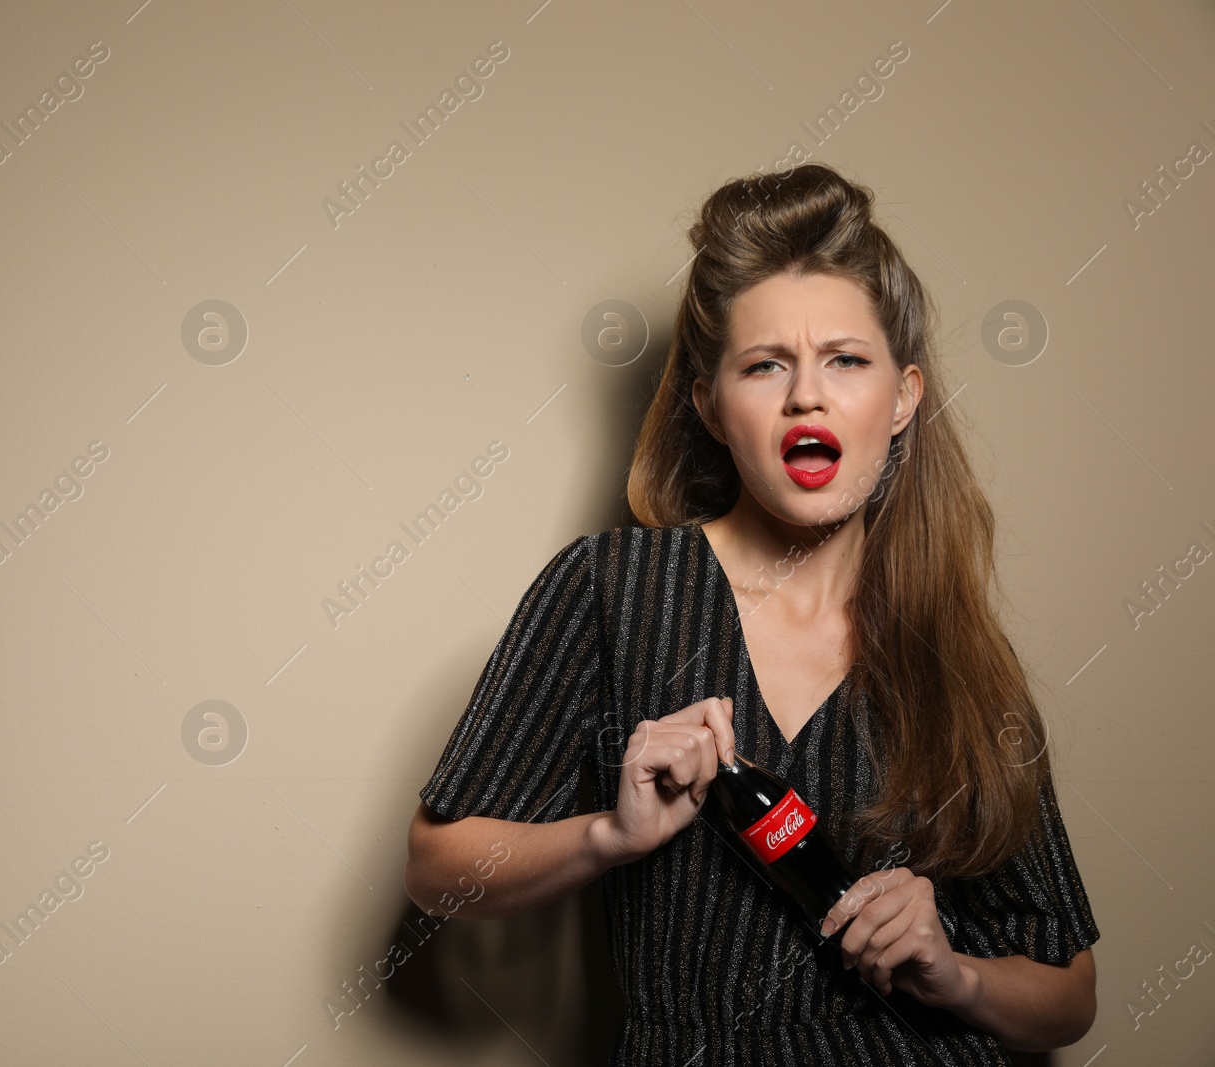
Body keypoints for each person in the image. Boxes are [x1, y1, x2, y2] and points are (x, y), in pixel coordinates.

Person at [404, 162, 1099, 1065]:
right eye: (766, 364)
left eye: (846, 361)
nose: (807, 394)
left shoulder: (958, 648)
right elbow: (435, 867)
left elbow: (1069, 994)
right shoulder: (614, 589)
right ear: (711, 407)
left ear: (903, 399)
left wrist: (951, 972)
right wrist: (609, 835)